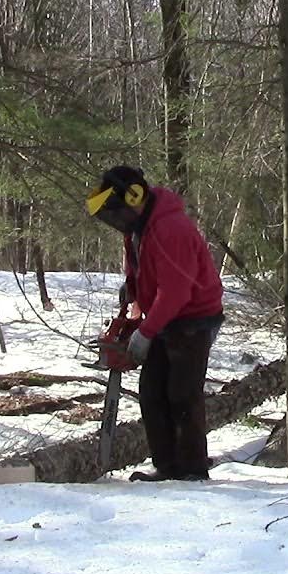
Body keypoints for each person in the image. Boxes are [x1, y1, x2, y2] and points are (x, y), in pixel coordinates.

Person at [86, 166, 224, 482]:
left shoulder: (170, 228)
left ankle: (192, 469)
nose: (115, 219)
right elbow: (140, 267)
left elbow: (176, 290)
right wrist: (132, 288)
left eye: (116, 211)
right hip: (165, 315)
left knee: (182, 392)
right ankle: (167, 466)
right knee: (151, 391)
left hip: (194, 317)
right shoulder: (137, 229)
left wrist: (145, 334)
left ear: (136, 197)